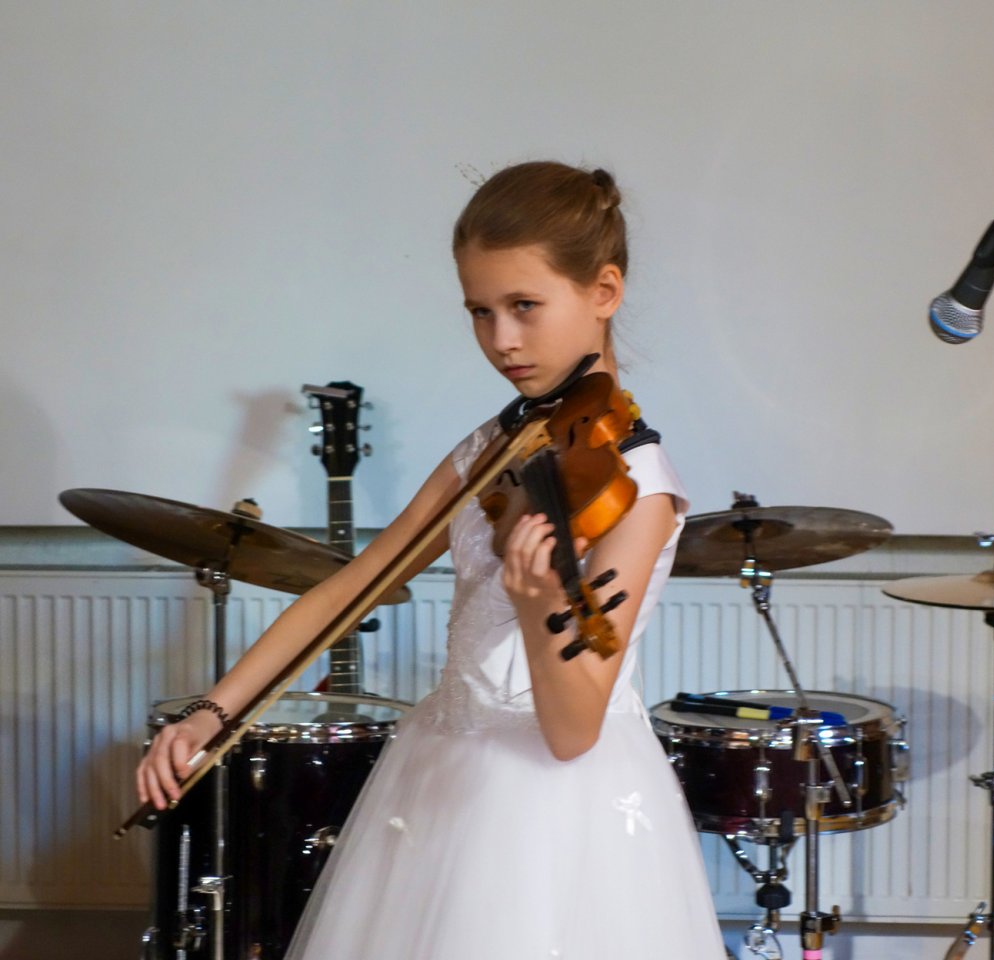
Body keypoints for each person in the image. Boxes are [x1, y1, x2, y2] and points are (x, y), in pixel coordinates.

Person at [136, 161, 725, 958]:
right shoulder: (494, 446)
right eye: (480, 311)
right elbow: (352, 587)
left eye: (524, 306)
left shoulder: (639, 487)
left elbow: (573, 731)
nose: (501, 340)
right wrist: (213, 714)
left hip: (556, 816)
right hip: (442, 769)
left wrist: (538, 607)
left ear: (604, 291)